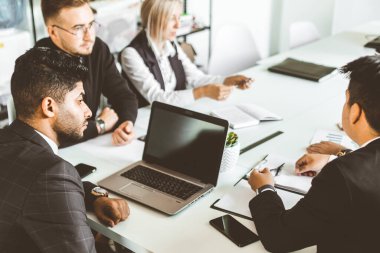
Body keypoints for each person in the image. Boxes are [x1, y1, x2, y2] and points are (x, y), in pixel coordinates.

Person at [0, 47, 129, 253]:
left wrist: (95, 196)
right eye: (79, 100)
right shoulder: (52, 174)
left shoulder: (6, 141)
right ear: (49, 107)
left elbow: (34, 186)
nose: (88, 111)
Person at [248, 55, 380, 252]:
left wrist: (265, 189)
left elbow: (280, 238)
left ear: (356, 113)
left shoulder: (340, 175)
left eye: (346, 100)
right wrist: (340, 153)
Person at [38, 0, 138, 146]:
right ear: (53, 32)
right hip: (56, 157)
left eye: (91, 24)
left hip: (87, 147)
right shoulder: (38, 63)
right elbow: (53, 133)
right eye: (78, 28)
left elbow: (123, 95)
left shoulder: (97, 49)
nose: (89, 36)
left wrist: (126, 123)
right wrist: (100, 125)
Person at [120, 0, 253, 107]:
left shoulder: (171, 44)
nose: (178, 25)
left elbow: (197, 78)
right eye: (172, 19)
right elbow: (157, 99)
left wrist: (227, 80)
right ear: (154, 19)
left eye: (179, 18)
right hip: (143, 122)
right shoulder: (131, 54)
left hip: (173, 115)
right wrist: (203, 92)